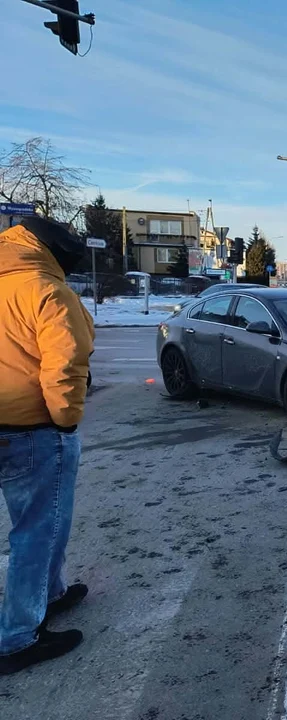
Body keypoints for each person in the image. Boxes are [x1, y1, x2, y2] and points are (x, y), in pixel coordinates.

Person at [0, 216, 95, 675]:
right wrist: (66, 422)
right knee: (38, 530)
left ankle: (49, 595)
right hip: (33, 427)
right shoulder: (47, 292)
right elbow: (65, 366)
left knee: (36, 525)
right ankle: (18, 636)